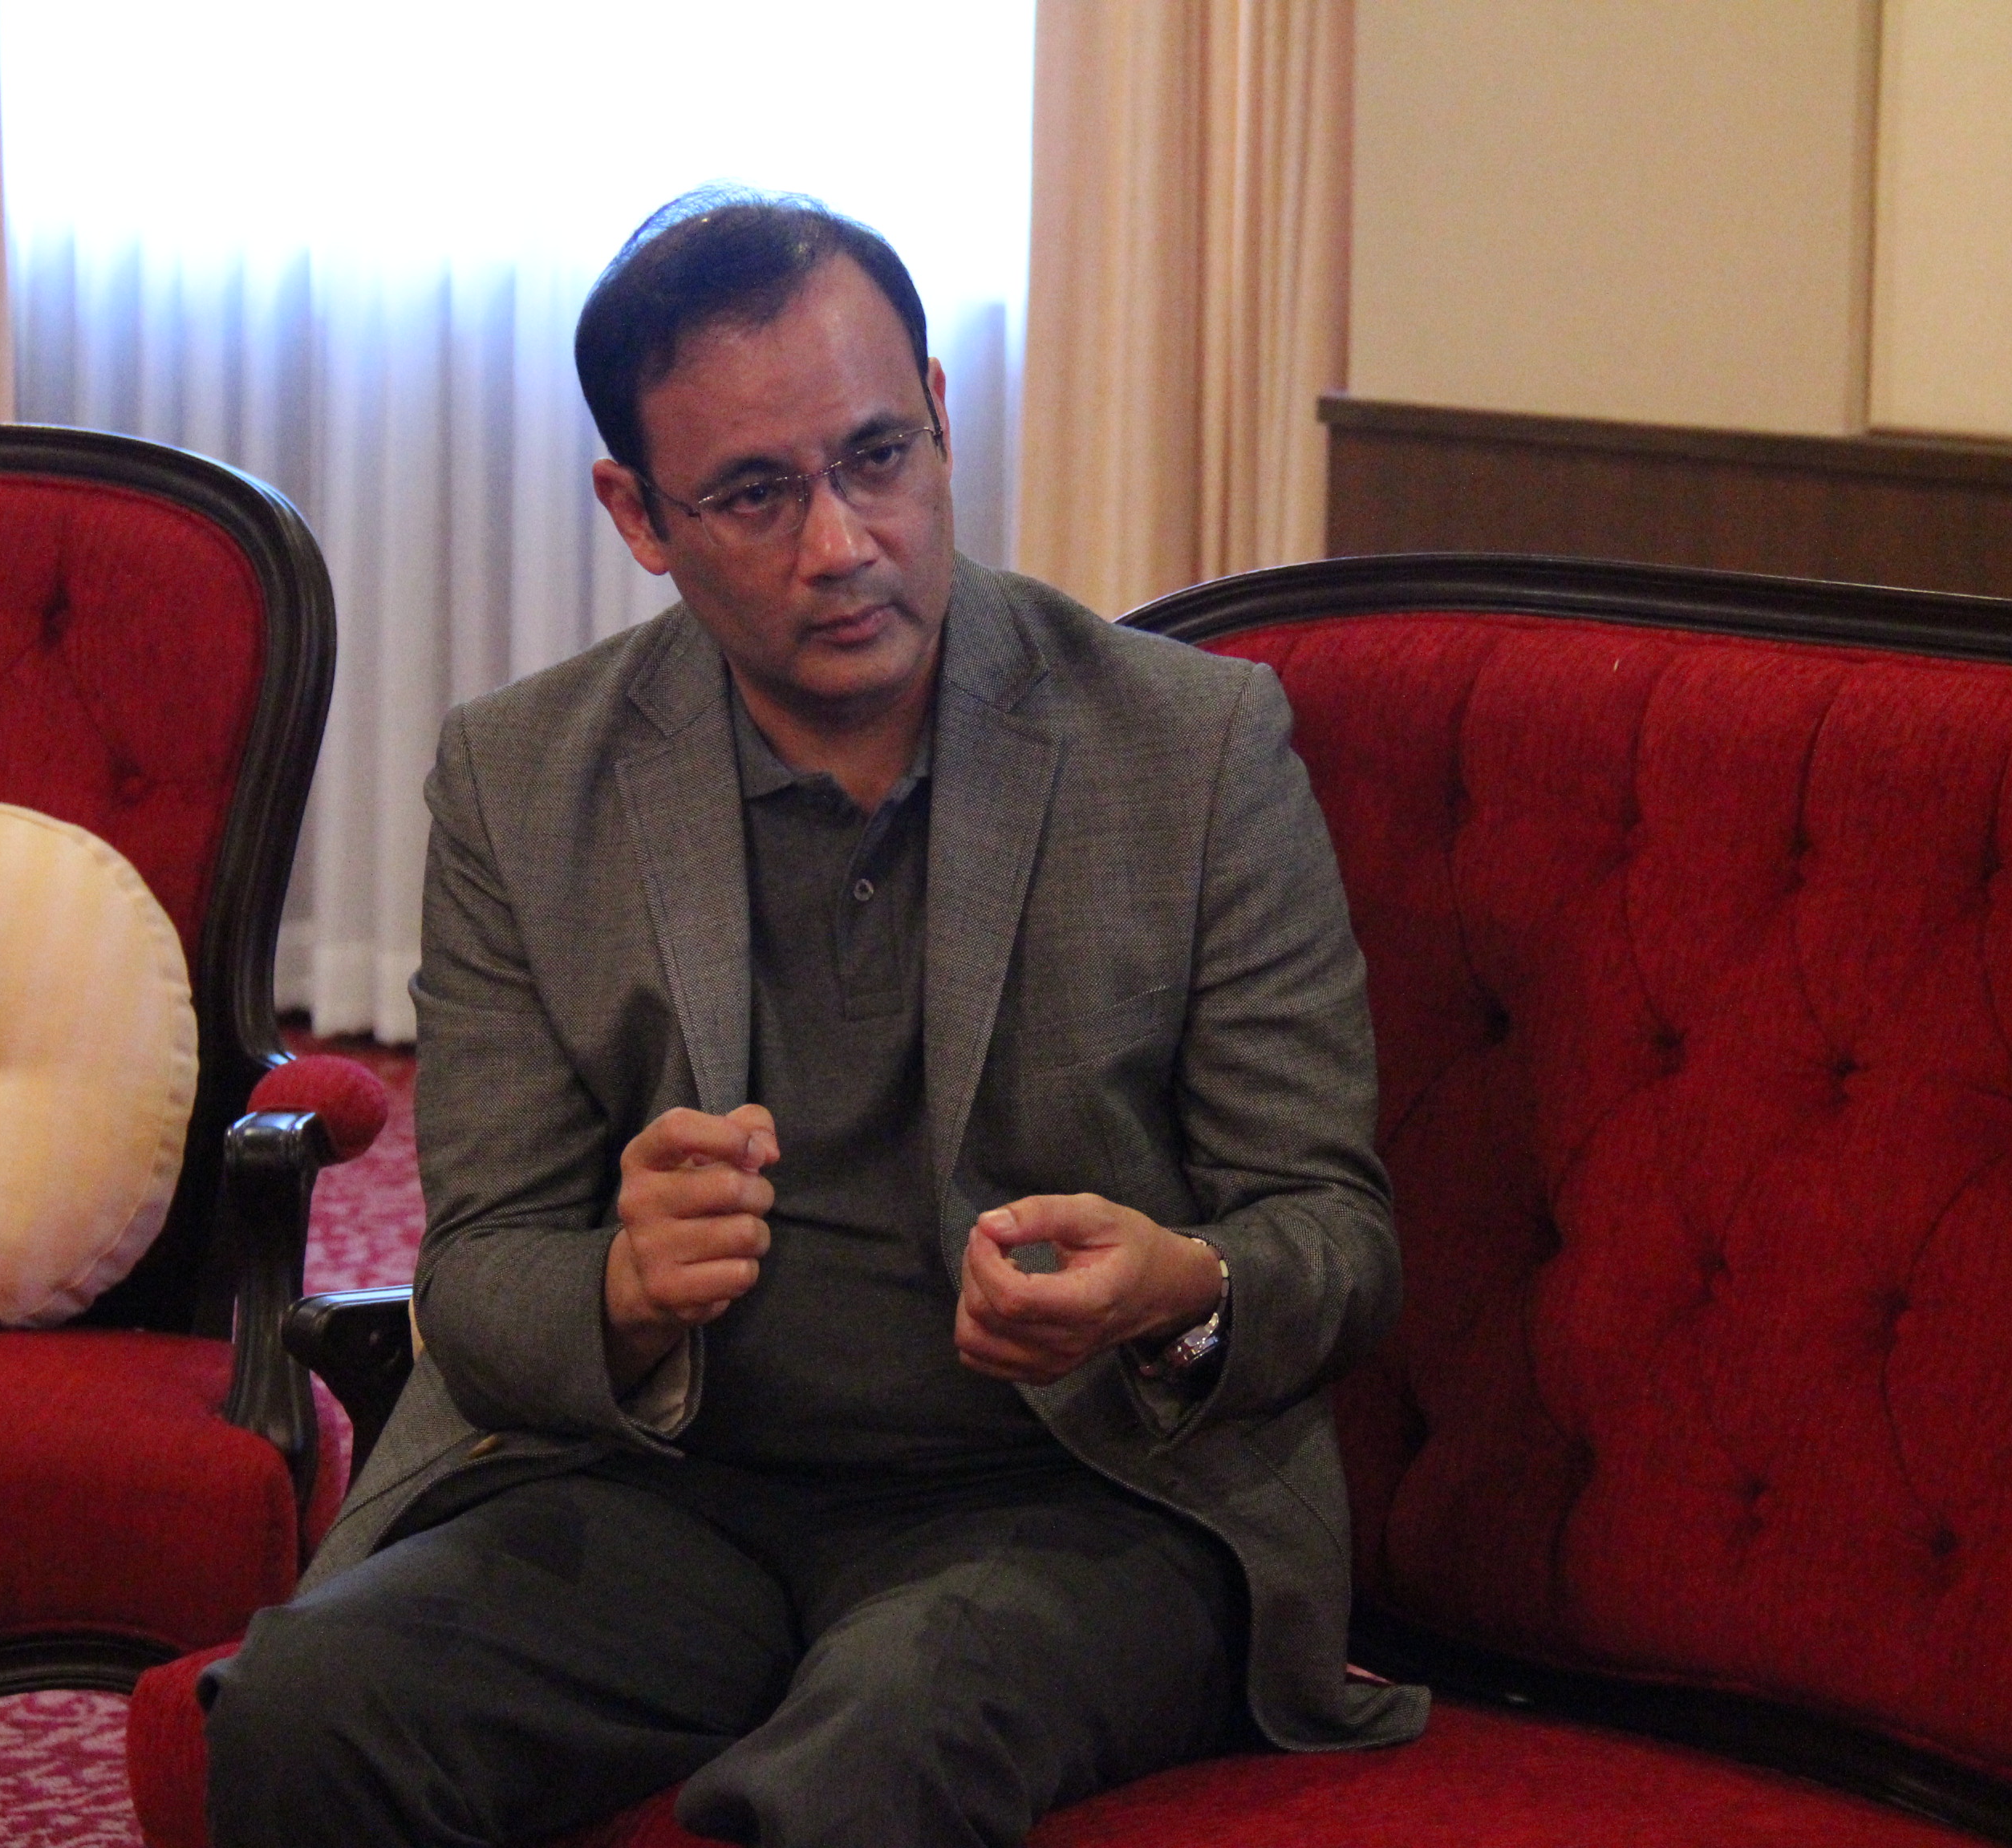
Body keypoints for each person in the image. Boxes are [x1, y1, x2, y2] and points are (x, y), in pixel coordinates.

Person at [202, 189, 1425, 1848]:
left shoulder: (1190, 750)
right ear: (638, 513)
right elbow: (480, 1277)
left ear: (940, 414)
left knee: (869, 1759)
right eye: (757, 494)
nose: (842, 543)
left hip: (1074, 1500)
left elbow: (1334, 1237)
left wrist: (1176, 1289)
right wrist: (621, 1290)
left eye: (877, 457)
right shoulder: (524, 779)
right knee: (306, 1711)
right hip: (666, 1492)